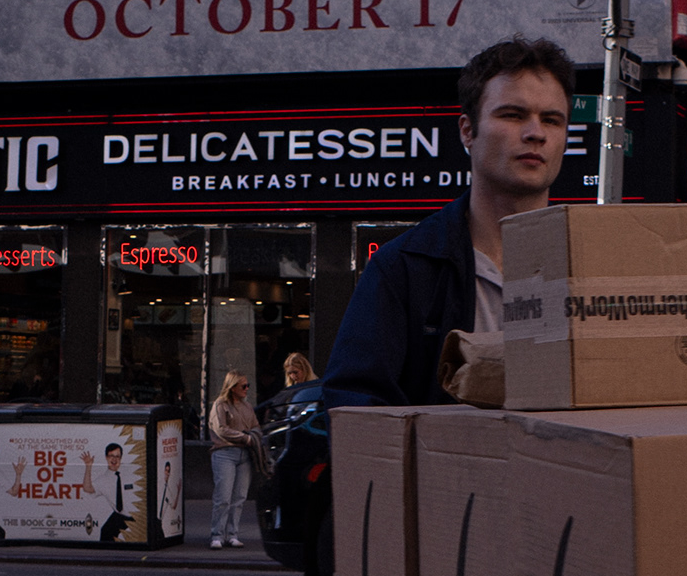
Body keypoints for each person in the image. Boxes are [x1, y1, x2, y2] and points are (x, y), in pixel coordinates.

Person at [320, 37, 574, 409]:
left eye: (552, 120)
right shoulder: (404, 269)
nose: (536, 132)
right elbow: (353, 409)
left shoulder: (591, 265)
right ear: (467, 131)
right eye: (513, 115)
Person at [207, 370, 260, 549]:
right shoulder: (220, 405)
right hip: (224, 452)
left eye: (247, 385)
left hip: (244, 454)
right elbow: (221, 429)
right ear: (232, 387)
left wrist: (252, 437)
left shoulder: (247, 406)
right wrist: (245, 437)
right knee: (223, 496)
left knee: (239, 497)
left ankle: (232, 534)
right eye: (243, 386)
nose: (247, 389)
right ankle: (217, 535)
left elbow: (256, 426)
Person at [96, 439, 133, 545]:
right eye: (111, 456)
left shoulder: (130, 473)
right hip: (121, 514)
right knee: (106, 531)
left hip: (138, 513)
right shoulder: (103, 479)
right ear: (106, 457)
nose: (114, 459)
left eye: (117, 456)